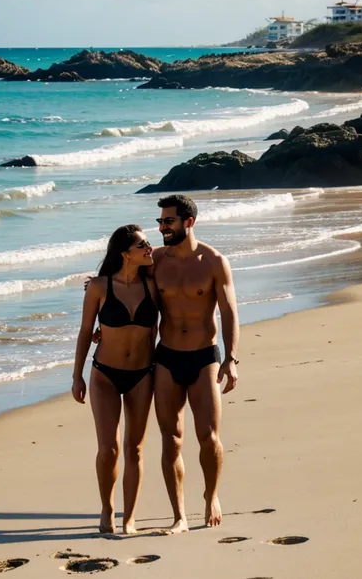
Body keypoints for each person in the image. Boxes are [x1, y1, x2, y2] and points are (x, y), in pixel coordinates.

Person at [152, 194, 239, 533]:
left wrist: (231, 359)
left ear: (188, 222)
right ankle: (179, 516)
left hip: (205, 357)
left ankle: (211, 496)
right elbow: (123, 286)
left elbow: (229, 310)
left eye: (168, 221)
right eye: (160, 221)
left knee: (208, 436)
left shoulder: (214, 261)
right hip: (167, 356)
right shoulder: (155, 261)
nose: (161, 228)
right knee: (171, 438)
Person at [72, 225, 158, 535]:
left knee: (134, 449)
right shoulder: (99, 286)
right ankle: (107, 509)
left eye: (149, 243)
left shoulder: (153, 283)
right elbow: (85, 331)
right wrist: (76, 375)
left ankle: (130, 516)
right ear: (125, 253)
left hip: (142, 374)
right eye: (143, 244)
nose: (150, 247)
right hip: (104, 375)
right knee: (108, 449)